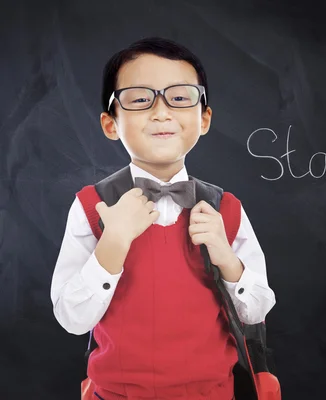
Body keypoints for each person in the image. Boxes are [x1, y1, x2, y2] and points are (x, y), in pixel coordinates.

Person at [50, 37, 276, 400]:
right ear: (111, 124)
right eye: (140, 99)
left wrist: (226, 258)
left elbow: (258, 310)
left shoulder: (227, 209)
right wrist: (113, 244)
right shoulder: (92, 206)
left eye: (181, 97)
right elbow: (72, 319)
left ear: (204, 119)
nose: (161, 112)